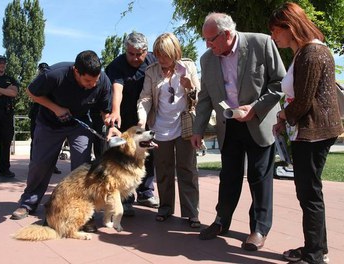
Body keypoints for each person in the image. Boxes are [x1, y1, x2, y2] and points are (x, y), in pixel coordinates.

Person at [192, 13, 286, 250]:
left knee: (259, 176)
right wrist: (198, 129)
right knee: (229, 176)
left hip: (258, 121)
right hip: (229, 125)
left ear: (227, 34)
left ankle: (259, 228)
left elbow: (280, 84)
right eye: (205, 40)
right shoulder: (207, 59)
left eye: (211, 40)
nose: (207, 45)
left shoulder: (261, 43)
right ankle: (221, 221)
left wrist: (254, 109)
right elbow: (204, 99)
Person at [269, 3, 343, 263]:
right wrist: (285, 118)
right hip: (310, 130)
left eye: (276, 30)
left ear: (290, 27)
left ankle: (314, 255)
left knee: (309, 193)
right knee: (310, 192)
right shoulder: (304, 51)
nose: (273, 36)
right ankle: (316, 248)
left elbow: (303, 101)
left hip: (314, 132)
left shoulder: (311, 52)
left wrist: (281, 115)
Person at [10, 51, 114, 234]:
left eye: (95, 80)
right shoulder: (55, 74)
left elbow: (104, 110)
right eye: (88, 81)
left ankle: (83, 214)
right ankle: (28, 203)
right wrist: (56, 108)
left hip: (79, 124)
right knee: (40, 164)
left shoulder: (102, 80)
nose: (93, 85)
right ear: (76, 71)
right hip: (49, 123)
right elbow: (31, 92)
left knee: (82, 169)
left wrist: (109, 123)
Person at [137, 32, 201, 228]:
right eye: (157, 54)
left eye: (164, 54)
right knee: (163, 169)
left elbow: (198, 98)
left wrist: (189, 87)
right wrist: (142, 119)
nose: (160, 59)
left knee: (187, 169)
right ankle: (165, 208)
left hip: (184, 127)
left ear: (174, 52)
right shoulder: (152, 70)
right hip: (160, 127)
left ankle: (191, 213)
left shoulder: (188, 66)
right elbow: (145, 98)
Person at [106, 32, 158, 216]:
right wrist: (115, 111)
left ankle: (146, 192)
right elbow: (116, 89)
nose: (136, 58)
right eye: (131, 54)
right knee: (124, 157)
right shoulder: (116, 66)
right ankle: (126, 199)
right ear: (125, 51)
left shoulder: (153, 59)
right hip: (124, 117)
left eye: (140, 53)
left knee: (147, 154)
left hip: (147, 114)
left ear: (146, 50)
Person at [28, 62, 61, 174]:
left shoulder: (52, 81)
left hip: (50, 115)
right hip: (36, 114)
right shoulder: (36, 82)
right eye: (41, 70)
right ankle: (33, 164)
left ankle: (52, 165)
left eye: (45, 69)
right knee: (35, 141)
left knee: (53, 142)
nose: (43, 71)